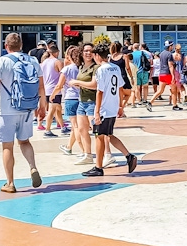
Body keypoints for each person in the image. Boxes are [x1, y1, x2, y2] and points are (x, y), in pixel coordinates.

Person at [0, 32, 46, 193]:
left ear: (6, 46)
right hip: (27, 109)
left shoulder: (2, 61)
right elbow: (41, 86)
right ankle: (32, 167)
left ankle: (10, 183)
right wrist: (42, 105)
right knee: (25, 142)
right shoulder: (32, 60)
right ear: (21, 45)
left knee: (7, 147)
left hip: (6, 111)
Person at [81, 44, 138, 177]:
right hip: (112, 107)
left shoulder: (101, 70)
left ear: (96, 56)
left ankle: (98, 167)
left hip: (104, 108)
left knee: (99, 137)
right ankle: (128, 156)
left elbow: (99, 92)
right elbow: (120, 88)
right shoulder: (116, 67)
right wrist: (119, 106)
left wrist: (96, 112)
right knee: (107, 134)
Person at [67, 43, 99, 165]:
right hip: (82, 101)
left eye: (90, 51)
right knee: (81, 129)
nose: (88, 53)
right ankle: (88, 154)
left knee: (96, 130)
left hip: (92, 101)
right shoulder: (81, 67)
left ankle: (105, 153)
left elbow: (94, 85)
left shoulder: (95, 68)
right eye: (85, 51)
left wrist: (77, 82)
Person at [55, 46, 83, 156]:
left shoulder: (67, 69)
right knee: (75, 125)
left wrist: (53, 95)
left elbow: (59, 85)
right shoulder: (81, 67)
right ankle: (69, 147)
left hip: (70, 98)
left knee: (75, 126)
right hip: (80, 98)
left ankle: (84, 149)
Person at [147, 41, 179, 111]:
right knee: (174, 90)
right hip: (168, 74)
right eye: (172, 45)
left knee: (160, 90)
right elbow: (170, 65)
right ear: (170, 46)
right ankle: (175, 105)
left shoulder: (161, 54)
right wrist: (173, 75)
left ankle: (150, 102)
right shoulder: (169, 54)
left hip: (161, 74)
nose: (173, 46)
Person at [41, 45, 65, 137]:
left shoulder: (43, 63)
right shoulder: (57, 62)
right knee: (52, 110)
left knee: (57, 109)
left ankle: (62, 126)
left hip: (46, 88)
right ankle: (47, 129)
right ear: (56, 52)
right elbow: (63, 75)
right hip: (55, 89)